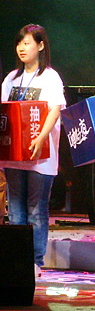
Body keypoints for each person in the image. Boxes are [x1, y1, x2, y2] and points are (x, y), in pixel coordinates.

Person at [0, 24, 66, 278]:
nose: (22, 48)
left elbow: (55, 110)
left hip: (41, 157)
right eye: (19, 43)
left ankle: (35, 261)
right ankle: (17, 261)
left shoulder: (50, 77)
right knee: (15, 211)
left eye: (27, 43)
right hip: (15, 157)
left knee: (36, 210)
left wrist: (41, 137)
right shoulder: (11, 79)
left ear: (40, 45)